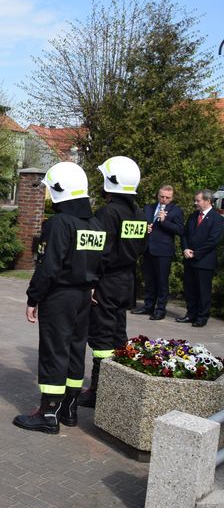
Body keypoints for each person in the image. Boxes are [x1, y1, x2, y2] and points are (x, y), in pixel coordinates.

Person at [13, 162, 105, 434]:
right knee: (76, 350)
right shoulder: (96, 223)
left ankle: (48, 413)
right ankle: (69, 409)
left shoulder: (59, 223)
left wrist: (33, 298)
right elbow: (100, 263)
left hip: (60, 296)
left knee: (54, 350)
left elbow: (49, 266)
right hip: (83, 297)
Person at [78, 156, 146, 408]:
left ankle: (98, 390)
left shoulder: (108, 213)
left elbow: (99, 250)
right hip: (126, 279)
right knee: (118, 332)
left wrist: (92, 281)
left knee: (102, 336)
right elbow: (140, 247)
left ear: (111, 181)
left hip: (107, 280)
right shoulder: (138, 212)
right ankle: (115, 385)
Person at [132, 185, 184, 320]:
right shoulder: (148, 208)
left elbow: (179, 230)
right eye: (162, 196)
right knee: (149, 280)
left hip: (163, 251)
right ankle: (148, 306)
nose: (164, 200)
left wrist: (164, 221)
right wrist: (145, 227)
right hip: (148, 248)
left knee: (161, 281)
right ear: (158, 195)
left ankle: (160, 309)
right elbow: (140, 223)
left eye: (167, 197)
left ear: (172, 198)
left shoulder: (176, 211)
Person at [176, 189, 224, 327]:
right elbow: (184, 234)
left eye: (198, 200)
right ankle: (190, 314)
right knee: (190, 290)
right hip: (189, 260)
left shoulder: (217, 219)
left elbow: (213, 241)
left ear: (208, 201)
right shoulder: (192, 216)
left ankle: (202, 317)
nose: (195, 203)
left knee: (203, 291)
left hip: (204, 262)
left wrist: (196, 253)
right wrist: (185, 249)